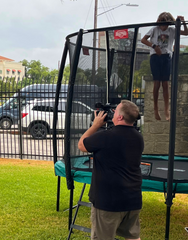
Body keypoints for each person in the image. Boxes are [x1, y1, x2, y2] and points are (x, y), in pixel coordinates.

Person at [77, 100, 144, 240]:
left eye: (116, 110)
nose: (112, 112)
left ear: (120, 117)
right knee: (132, 236)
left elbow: (81, 145)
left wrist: (95, 125)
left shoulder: (105, 137)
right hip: (132, 198)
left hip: (108, 201)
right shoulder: (139, 138)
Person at [141, 12, 188, 121]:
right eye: (161, 25)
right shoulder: (154, 29)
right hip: (155, 57)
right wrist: (154, 46)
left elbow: (186, 32)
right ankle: (156, 109)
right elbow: (143, 40)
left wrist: (184, 22)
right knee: (157, 83)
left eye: (165, 25)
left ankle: (167, 109)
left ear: (168, 23)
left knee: (165, 83)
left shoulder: (171, 30)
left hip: (166, 56)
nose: (163, 27)